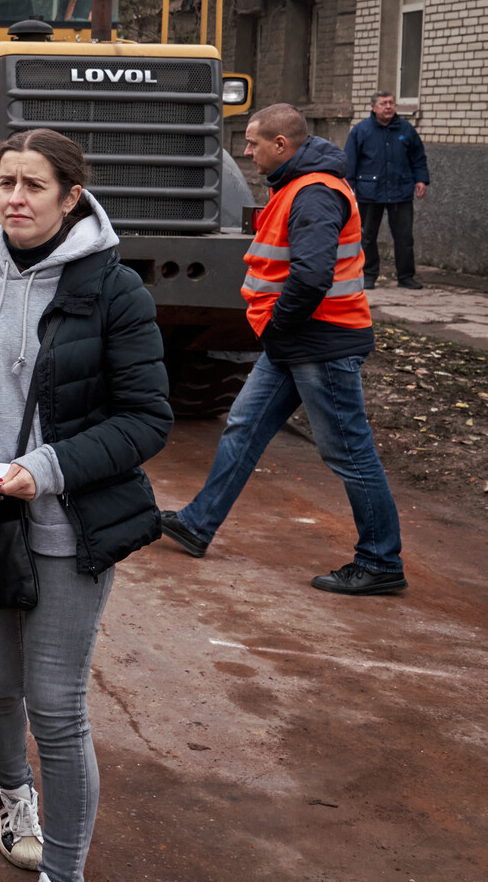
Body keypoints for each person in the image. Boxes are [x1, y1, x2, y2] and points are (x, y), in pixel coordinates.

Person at [0, 128, 171, 882]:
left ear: (70, 198)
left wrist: (47, 469)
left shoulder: (114, 291)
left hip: (65, 526)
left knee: (54, 704)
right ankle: (13, 796)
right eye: (6, 182)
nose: (14, 199)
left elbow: (147, 419)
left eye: (33, 186)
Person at [161, 105, 406, 596]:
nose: (246, 153)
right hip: (298, 342)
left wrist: (277, 327)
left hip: (319, 343)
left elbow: (312, 276)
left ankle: (380, 560)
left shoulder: (315, 194)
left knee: (348, 453)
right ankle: (198, 522)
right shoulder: (299, 186)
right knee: (243, 427)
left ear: (281, 145)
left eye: (253, 144)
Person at [344, 90, 430, 290]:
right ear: (374, 108)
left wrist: (421, 180)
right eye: (384, 103)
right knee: (367, 237)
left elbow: (418, 157)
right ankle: (368, 276)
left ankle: (406, 277)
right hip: (369, 193)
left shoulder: (406, 129)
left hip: (400, 191)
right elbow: (350, 160)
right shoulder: (361, 131)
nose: (389, 107)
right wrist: (348, 188)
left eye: (391, 103)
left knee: (404, 237)